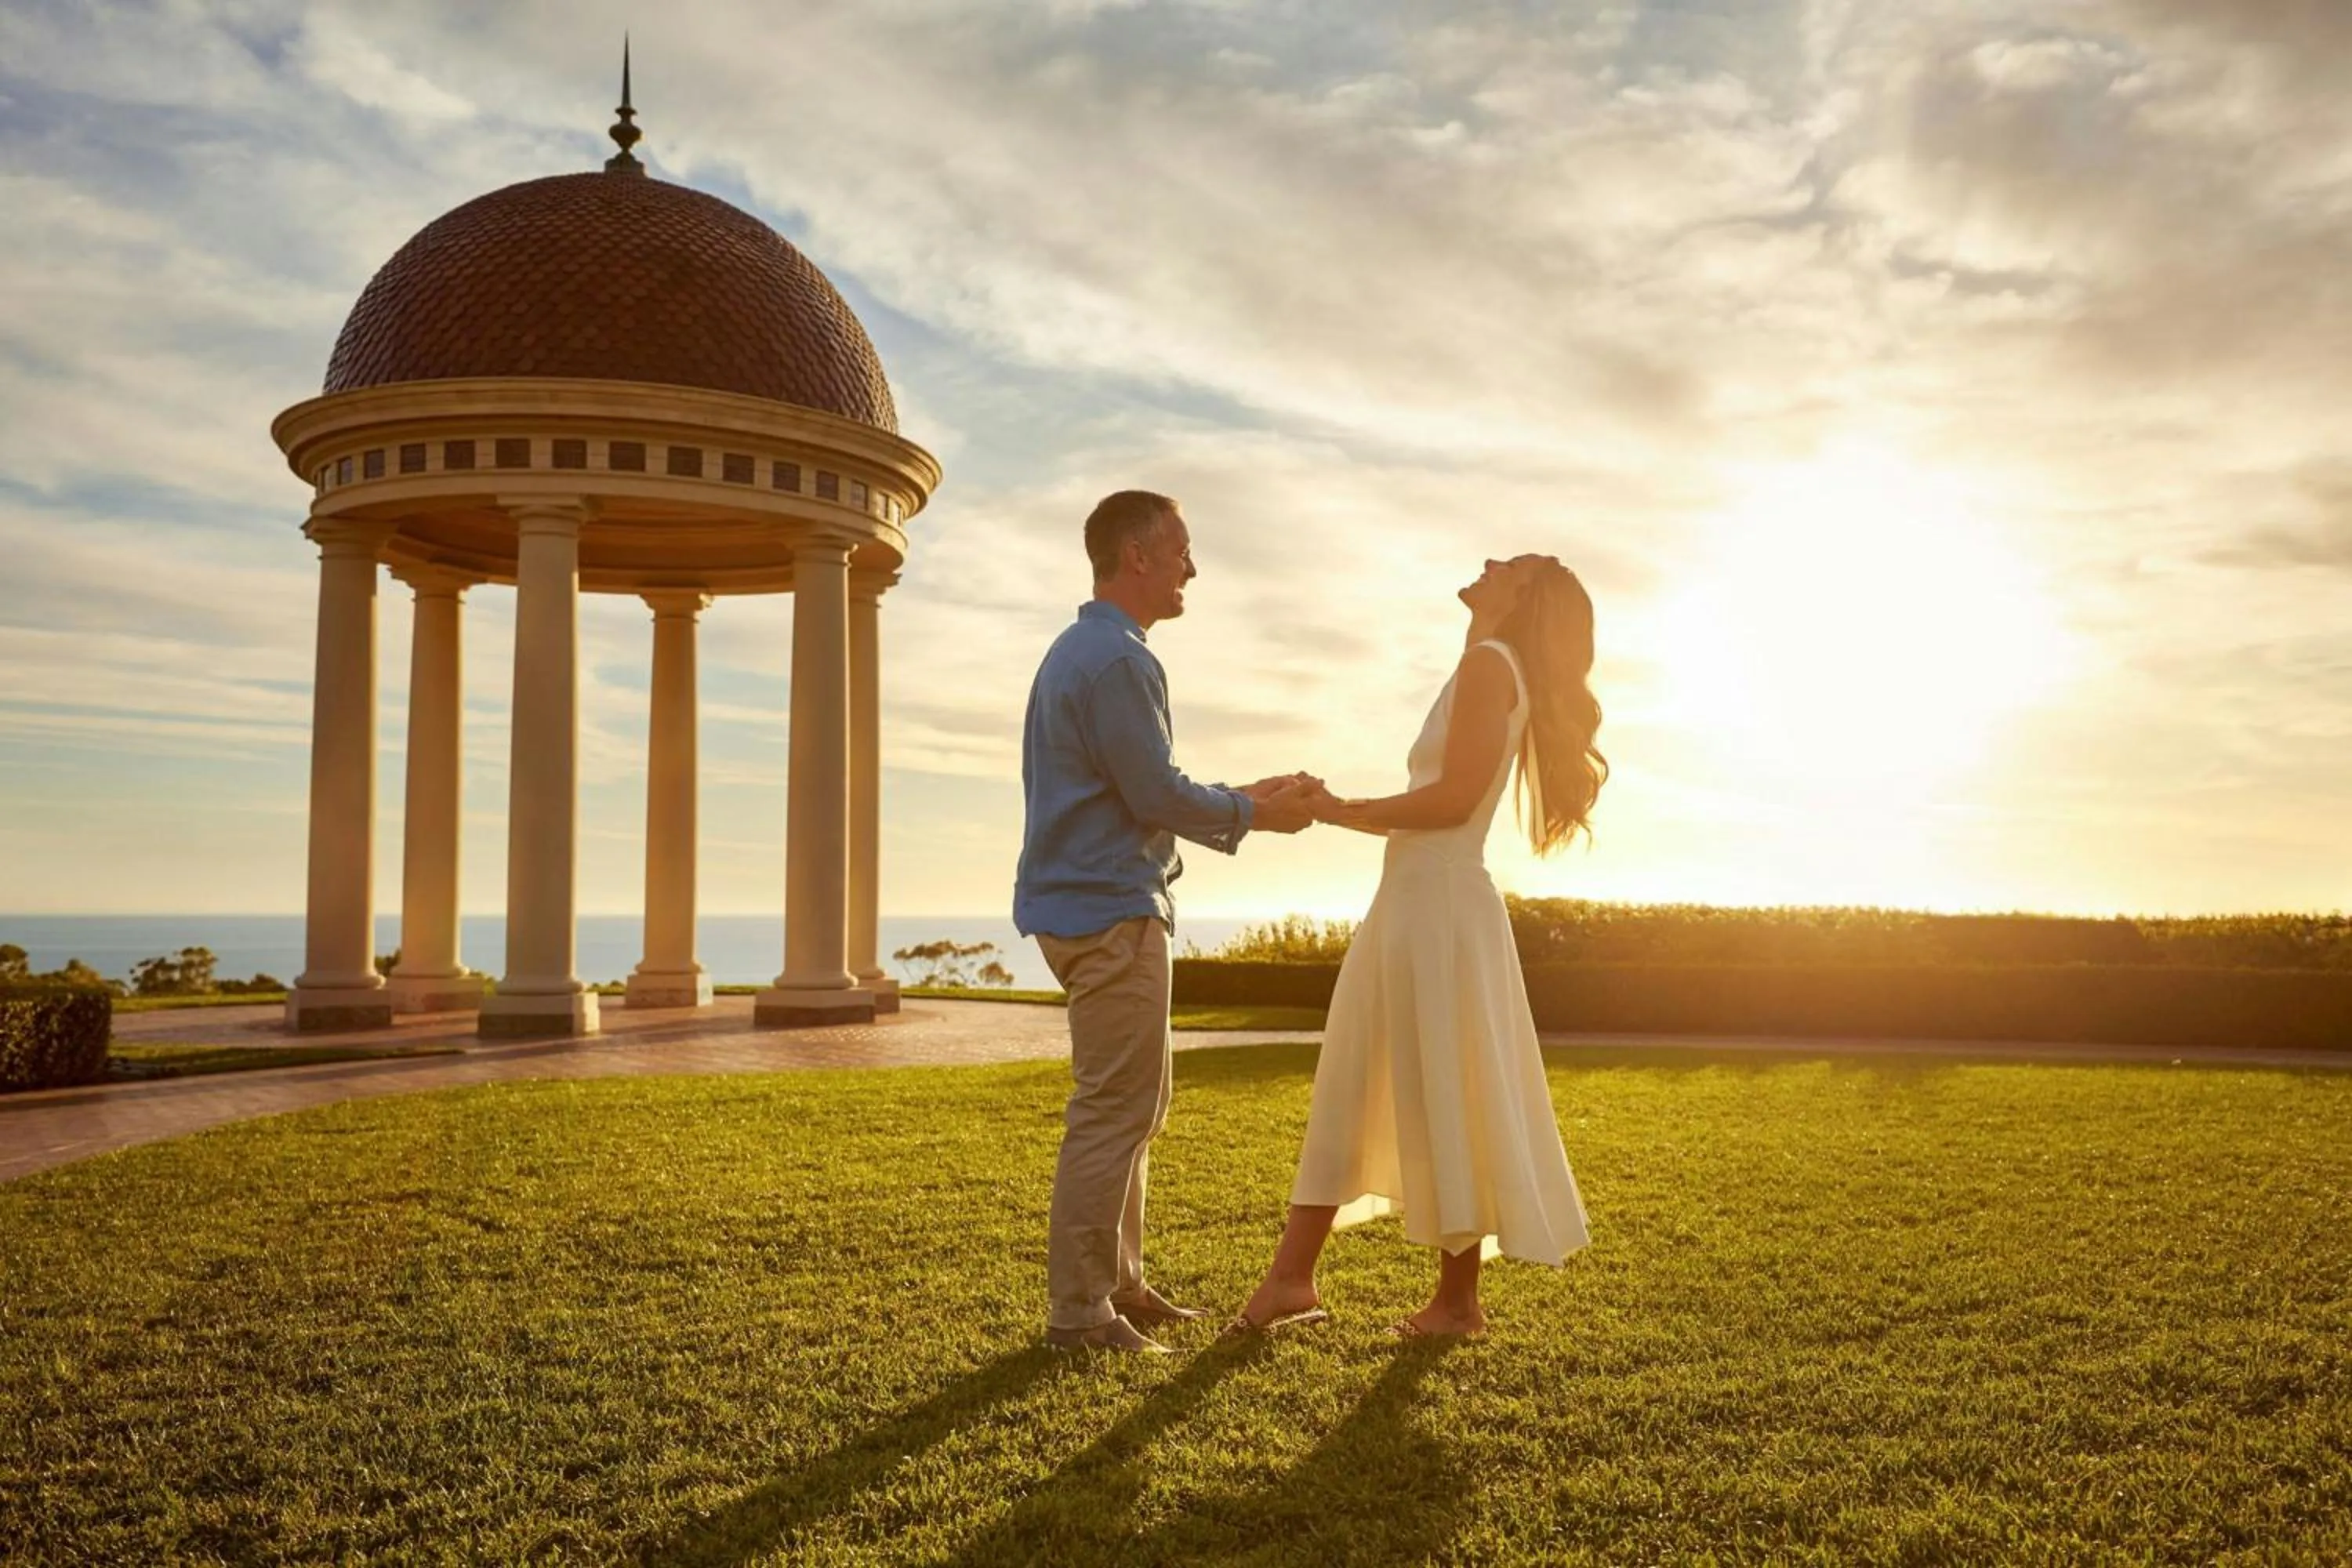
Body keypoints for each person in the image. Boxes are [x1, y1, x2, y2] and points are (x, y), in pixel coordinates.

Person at [1233, 554, 1608, 1339]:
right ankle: (1365, 1287)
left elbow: (1452, 798)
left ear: (1525, 597)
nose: (1490, 561)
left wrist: (1334, 808)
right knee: (1409, 1077)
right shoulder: (1487, 666)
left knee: (1404, 1077)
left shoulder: (1486, 665)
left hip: (1434, 904)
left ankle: (1341, 1283)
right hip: (1424, 902)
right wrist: (1343, 808)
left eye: (1511, 563)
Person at [1015, 489, 1322, 1355]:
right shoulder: (1118, 659)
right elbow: (1154, 794)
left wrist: (1247, 797)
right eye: (1183, 549)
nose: (1193, 566)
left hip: (1090, 901)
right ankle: (1080, 1314)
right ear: (1138, 554)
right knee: (1114, 1110)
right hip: (1111, 908)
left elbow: (1143, 784)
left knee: (1135, 1106)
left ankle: (1121, 1285)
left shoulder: (1089, 652)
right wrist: (1263, 815)